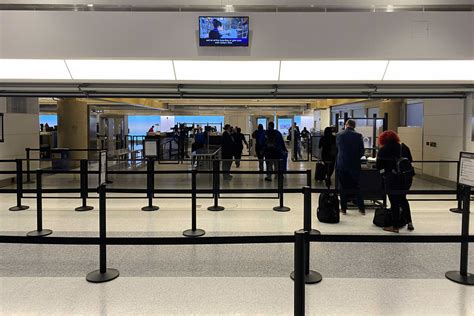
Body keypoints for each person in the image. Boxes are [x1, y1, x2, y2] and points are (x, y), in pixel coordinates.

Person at [376, 130, 415, 233]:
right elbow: (410, 161)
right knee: (403, 199)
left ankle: (395, 226)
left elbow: (379, 166)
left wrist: (385, 174)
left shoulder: (383, 150)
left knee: (394, 202)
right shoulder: (404, 147)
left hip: (392, 179)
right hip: (406, 178)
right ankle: (409, 222)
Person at [336, 119, 366, 215]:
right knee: (356, 186)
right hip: (354, 164)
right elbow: (362, 151)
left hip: (342, 163)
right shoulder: (358, 136)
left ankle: (344, 208)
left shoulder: (339, 135)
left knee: (343, 187)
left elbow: (338, 148)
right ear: (354, 126)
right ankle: (361, 208)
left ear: (346, 125)